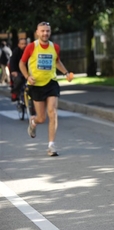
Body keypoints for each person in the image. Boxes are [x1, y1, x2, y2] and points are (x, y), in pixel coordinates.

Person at [19, 22, 73, 156]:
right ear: (37, 32)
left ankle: (51, 146)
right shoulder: (31, 47)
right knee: (41, 118)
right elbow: (22, 63)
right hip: (36, 85)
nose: (45, 33)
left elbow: (57, 61)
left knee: (53, 112)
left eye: (47, 31)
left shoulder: (55, 47)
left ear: (50, 32)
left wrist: (66, 73)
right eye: (42, 31)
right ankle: (33, 121)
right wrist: (27, 76)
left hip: (51, 83)